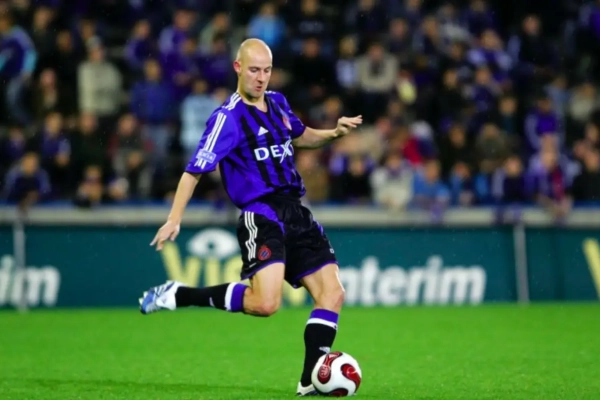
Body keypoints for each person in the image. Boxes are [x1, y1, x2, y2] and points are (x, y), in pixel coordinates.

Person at [139, 38, 362, 396]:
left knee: (332, 294)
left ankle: (309, 380)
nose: (261, 78)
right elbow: (193, 171)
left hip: (295, 210)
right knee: (266, 304)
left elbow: (301, 137)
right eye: (254, 70)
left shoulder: (278, 103)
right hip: (261, 213)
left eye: (267, 70)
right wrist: (174, 218)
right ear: (238, 68)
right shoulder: (226, 118)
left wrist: (333, 134)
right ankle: (181, 295)